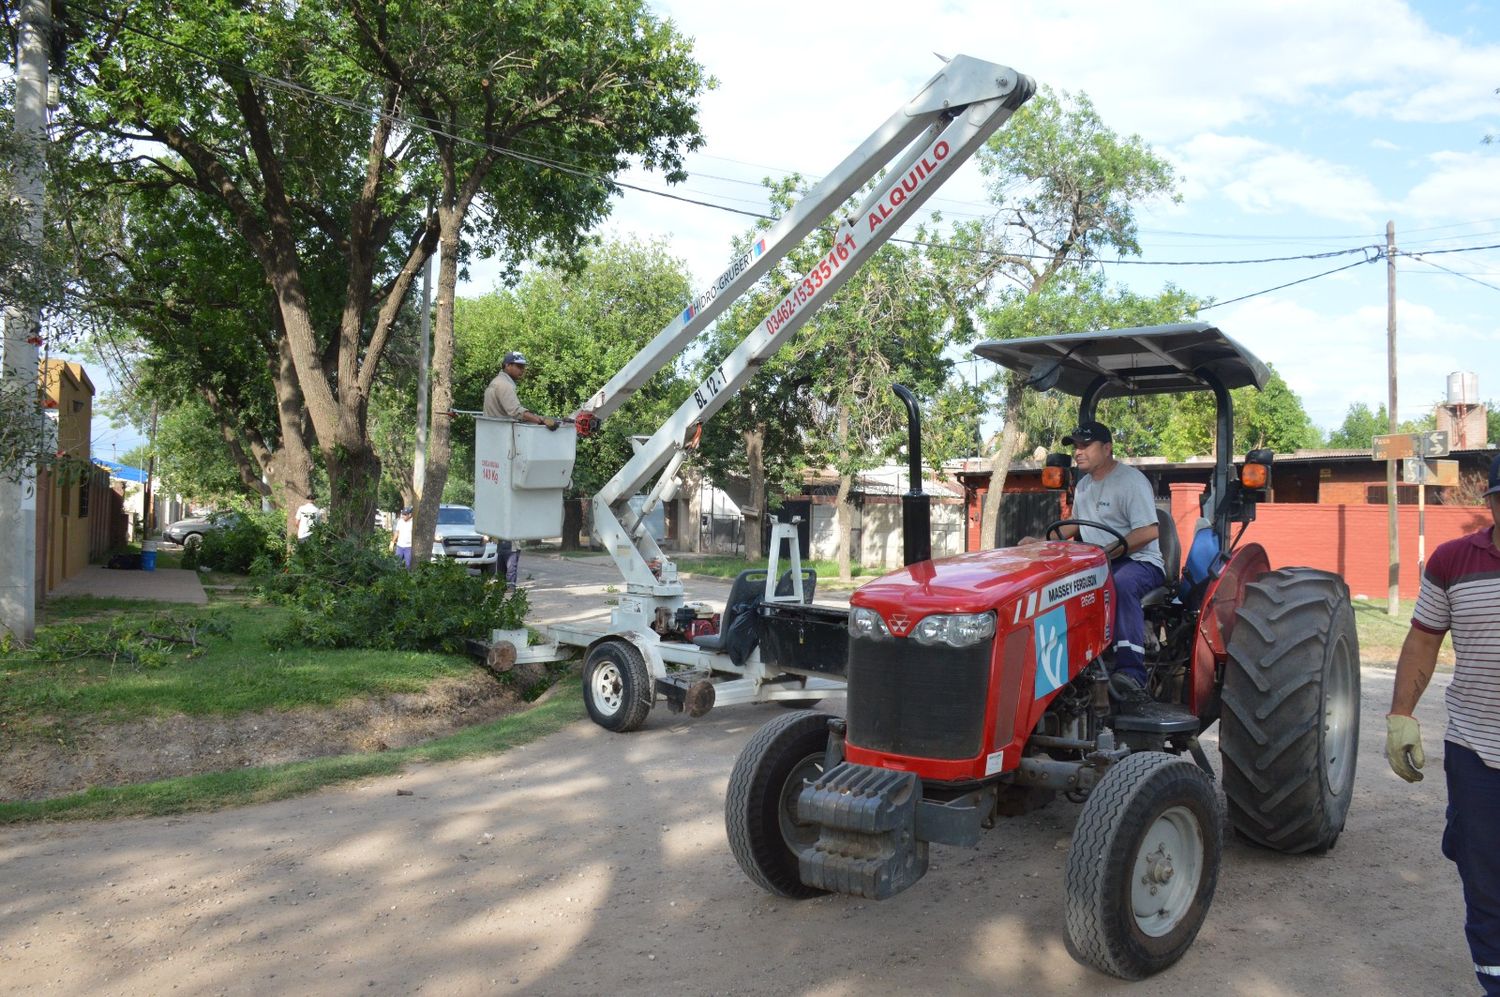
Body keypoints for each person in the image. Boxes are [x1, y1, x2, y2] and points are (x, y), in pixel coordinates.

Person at [1386, 452, 1500, 996]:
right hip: (1477, 752)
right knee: (1485, 880)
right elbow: (1424, 641)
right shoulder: (1453, 561)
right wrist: (1400, 716)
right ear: (1492, 503)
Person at [1025, 420, 1163, 704]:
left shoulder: (1131, 482)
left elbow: (1150, 531)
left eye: (1085, 446)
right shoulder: (1085, 485)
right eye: (1076, 447)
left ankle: (1131, 673)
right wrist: (1041, 543)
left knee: (1120, 584)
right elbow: (1076, 526)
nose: (1078, 452)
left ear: (1107, 448)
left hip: (1139, 562)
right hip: (1100, 561)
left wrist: (1110, 551)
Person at [483, 351, 561, 430]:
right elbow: (516, 412)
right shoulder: (505, 385)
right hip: (502, 433)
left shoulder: (496, 381)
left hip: (492, 431)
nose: (522, 370)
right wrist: (541, 420)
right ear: (508, 365)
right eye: (519, 366)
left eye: (523, 367)